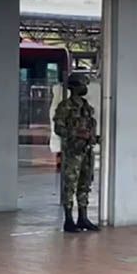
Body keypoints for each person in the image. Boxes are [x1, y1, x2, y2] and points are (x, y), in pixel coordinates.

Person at [53, 73, 100, 233]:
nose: (85, 88)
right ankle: (68, 219)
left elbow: (91, 126)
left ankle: (83, 217)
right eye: (82, 85)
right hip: (73, 152)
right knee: (70, 185)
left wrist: (92, 137)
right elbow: (59, 129)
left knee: (85, 184)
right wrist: (77, 134)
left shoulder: (86, 107)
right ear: (75, 87)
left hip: (86, 150)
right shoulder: (65, 106)